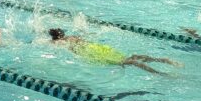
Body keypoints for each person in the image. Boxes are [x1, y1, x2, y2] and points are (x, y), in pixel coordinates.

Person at [48, 28, 181, 74]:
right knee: (130, 57)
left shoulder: (60, 42)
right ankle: (163, 60)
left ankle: (159, 73)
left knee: (129, 62)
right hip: (97, 47)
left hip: (91, 53)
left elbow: (50, 45)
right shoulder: (73, 37)